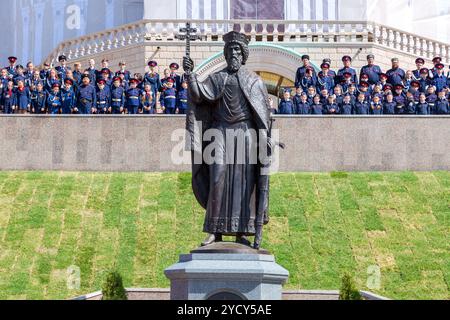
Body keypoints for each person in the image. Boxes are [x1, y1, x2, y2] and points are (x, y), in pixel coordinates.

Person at [183, 30, 271, 248]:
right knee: (217, 176)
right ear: (226, 54)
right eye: (230, 50)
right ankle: (215, 230)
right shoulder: (218, 77)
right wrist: (190, 74)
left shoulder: (254, 81)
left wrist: (265, 137)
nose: (233, 54)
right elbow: (199, 96)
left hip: (245, 133)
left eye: (237, 50)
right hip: (220, 131)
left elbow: (262, 114)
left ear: (243, 55)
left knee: (244, 182)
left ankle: (243, 230)